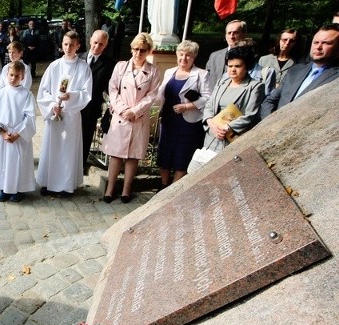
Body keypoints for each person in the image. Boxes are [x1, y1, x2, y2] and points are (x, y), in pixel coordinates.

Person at [101, 33, 161, 203]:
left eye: (142, 50)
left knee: (133, 155)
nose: (138, 53)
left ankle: (127, 190)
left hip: (138, 118)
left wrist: (134, 111)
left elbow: (152, 96)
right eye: (135, 49)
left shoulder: (153, 71)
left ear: (149, 51)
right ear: (131, 49)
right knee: (116, 154)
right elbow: (112, 89)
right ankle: (110, 189)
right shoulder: (121, 67)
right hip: (120, 117)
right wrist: (123, 109)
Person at [36, 31, 92, 197]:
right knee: (51, 148)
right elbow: (43, 90)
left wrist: (71, 97)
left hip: (71, 115)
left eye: (72, 45)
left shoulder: (83, 67)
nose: (68, 48)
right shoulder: (54, 66)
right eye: (66, 44)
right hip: (54, 114)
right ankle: (48, 183)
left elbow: (86, 93)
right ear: (62, 45)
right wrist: (53, 105)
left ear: (78, 46)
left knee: (67, 150)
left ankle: (66, 186)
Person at [155, 40, 210, 187]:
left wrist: (187, 106)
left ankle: (173, 190)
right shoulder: (169, 72)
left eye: (188, 55)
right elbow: (161, 94)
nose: (184, 58)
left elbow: (208, 98)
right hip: (168, 120)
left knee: (182, 156)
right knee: (165, 154)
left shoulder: (201, 74)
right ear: (177, 54)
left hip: (188, 123)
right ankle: (163, 186)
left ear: (194, 57)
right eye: (181, 54)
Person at [261, 23, 339, 118]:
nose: (318, 47)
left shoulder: (336, 79)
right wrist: (270, 124)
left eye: (326, 43)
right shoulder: (295, 70)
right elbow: (269, 101)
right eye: (315, 42)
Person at [201, 45, 264, 156]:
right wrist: (210, 123)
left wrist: (227, 128)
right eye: (230, 66)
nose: (232, 70)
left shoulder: (255, 86)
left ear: (247, 67)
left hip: (232, 138)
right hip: (212, 136)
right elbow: (209, 105)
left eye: (237, 66)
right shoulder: (221, 82)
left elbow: (251, 115)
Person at [0, 61, 37, 202]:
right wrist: (2, 132)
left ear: (22, 77)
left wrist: (17, 134)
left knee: (19, 163)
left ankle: (18, 189)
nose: (13, 78)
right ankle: (4, 188)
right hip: (4, 134)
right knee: (4, 163)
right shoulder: (0, 93)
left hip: (19, 136)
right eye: (11, 75)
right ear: (6, 74)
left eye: (17, 76)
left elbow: (30, 117)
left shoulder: (27, 95)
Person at [78, 30, 116, 174]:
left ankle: (80, 167)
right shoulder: (78, 58)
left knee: (86, 138)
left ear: (105, 45)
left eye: (101, 44)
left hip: (91, 108)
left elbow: (109, 88)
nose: (97, 46)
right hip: (74, 106)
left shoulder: (108, 64)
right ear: (90, 41)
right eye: (95, 42)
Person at [205, 20, 247, 92]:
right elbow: (205, 80)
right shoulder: (214, 56)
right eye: (229, 33)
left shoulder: (249, 56)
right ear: (225, 35)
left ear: (244, 34)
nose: (231, 36)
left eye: (235, 33)